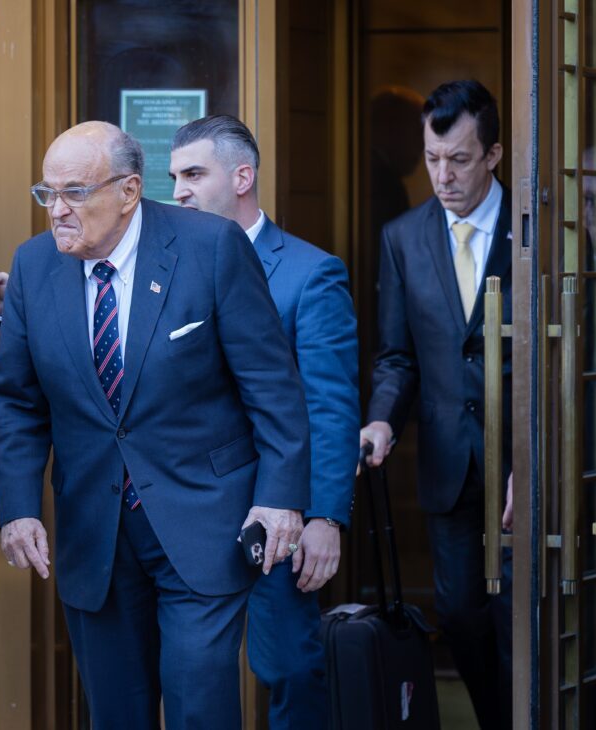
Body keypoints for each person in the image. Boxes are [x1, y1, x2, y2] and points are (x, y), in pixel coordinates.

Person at [0, 121, 311, 729]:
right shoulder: (34, 266)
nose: (56, 211)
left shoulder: (211, 246)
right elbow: (17, 402)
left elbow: (273, 386)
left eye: (74, 193)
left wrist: (280, 499)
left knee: (199, 706)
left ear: (130, 190)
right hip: (93, 532)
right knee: (117, 713)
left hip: (204, 520)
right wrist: (20, 507)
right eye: (46, 194)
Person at [168, 114, 359, 729]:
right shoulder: (167, 268)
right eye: (174, 176)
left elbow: (328, 406)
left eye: (194, 174)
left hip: (276, 513)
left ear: (242, 176)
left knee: (289, 668)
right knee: (193, 673)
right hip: (188, 510)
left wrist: (326, 516)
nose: (179, 191)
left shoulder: (311, 273)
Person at [360, 79, 513, 730]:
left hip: (522, 460)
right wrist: (381, 418)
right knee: (457, 614)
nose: (442, 176)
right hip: (450, 461)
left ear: (494, 155)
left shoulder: (534, 222)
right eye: (432, 159)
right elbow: (399, 355)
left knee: (522, 614)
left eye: (459, 159)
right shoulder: (402, 237)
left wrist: (530, 461)